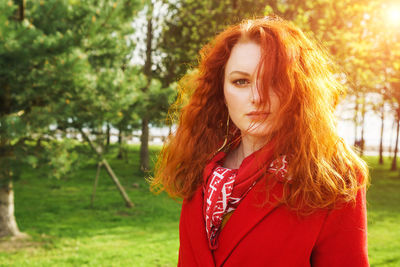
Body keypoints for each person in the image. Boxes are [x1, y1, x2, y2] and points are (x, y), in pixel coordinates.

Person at [152, 16, 369, 267]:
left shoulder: (333, 179)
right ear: (221, 91)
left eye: (273, 80)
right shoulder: (199, 172)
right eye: (241, 81)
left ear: (297, 89)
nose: (257, 96)